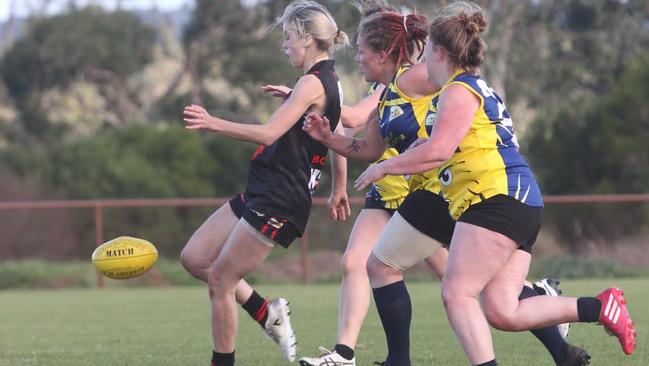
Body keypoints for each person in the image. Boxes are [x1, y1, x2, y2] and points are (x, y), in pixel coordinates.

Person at [351, 2, 636, 365]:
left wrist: (385, 168)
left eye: (428, 58)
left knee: (457, 295)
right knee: (503, 310)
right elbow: (457, 143)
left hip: (497, 199)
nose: (424, 67)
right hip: (520, 201)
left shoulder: (458, 89)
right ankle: (600, 306)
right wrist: (421, 148)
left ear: (439, 52)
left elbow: (439, 151)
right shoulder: (469, 87)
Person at [301, 4, 586, 366]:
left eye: (361, 51)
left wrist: (311, 98)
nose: (356, 58)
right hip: (431, 191)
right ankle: (558, 342)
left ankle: (393, 359)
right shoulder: (386, 96)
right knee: (468, 285)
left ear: (384, 53)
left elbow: (459, 90)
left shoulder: (419, 77)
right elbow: (367, 149)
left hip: (445, 188)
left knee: (417, 275)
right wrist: (327, 138)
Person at [180, 2, 350, 365]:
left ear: (306, 38)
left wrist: (213, 123)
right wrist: (338, 188)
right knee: (195, 258)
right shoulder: (325, 81)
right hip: (263, 189)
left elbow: (270, 133)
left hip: (279, 198)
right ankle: (266, 313)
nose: (285, 45)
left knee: (220, 282)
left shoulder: (312, 83)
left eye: (288, 37)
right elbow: (337, 133)